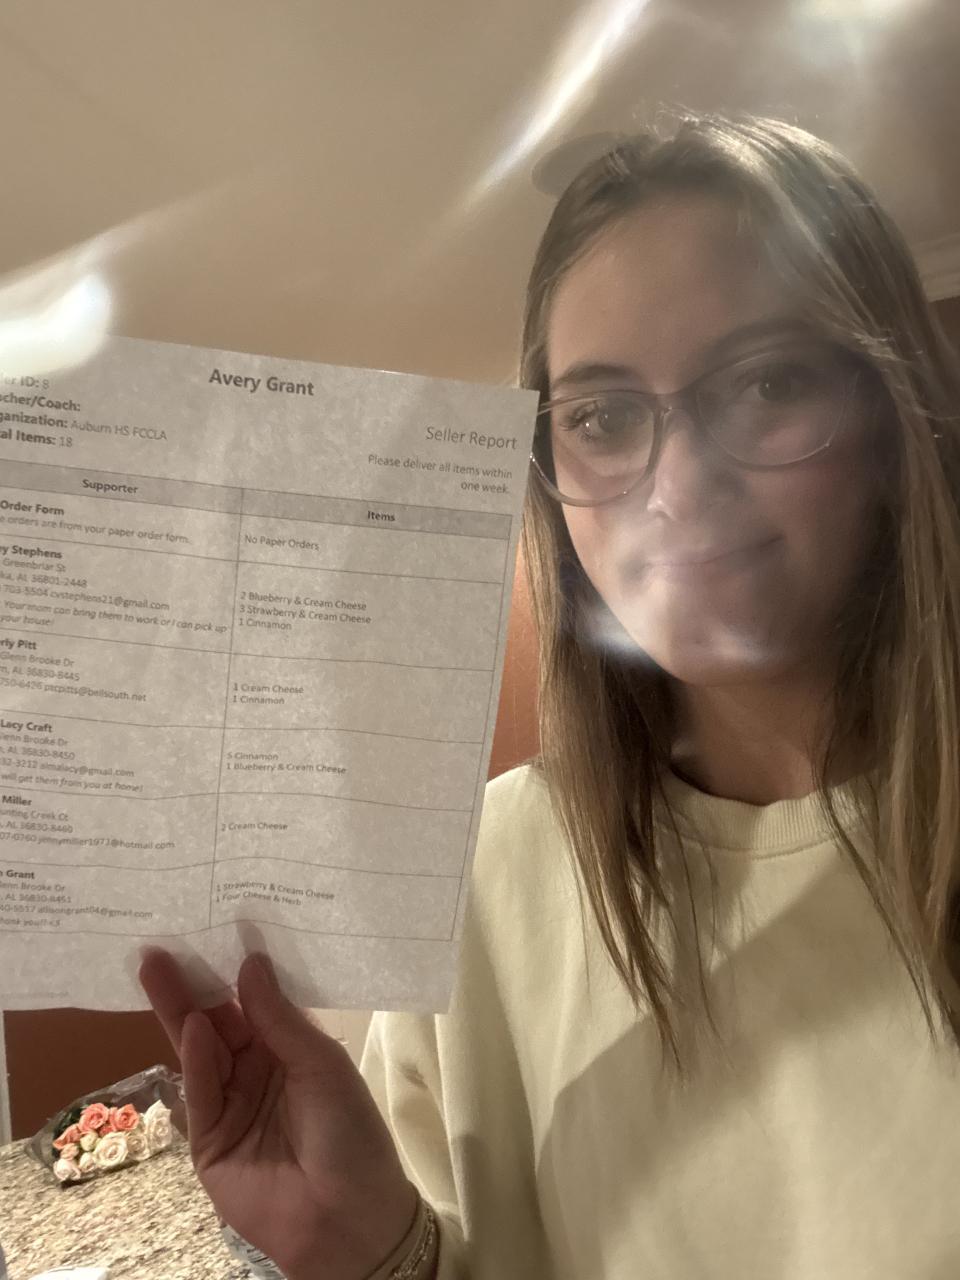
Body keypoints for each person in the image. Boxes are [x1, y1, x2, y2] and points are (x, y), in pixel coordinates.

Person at [140, 112, 960, 1279]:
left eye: (767, 381)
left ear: (893, 416)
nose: (678, 485)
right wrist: (370, 1247)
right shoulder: (480, 874)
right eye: (602, 416)